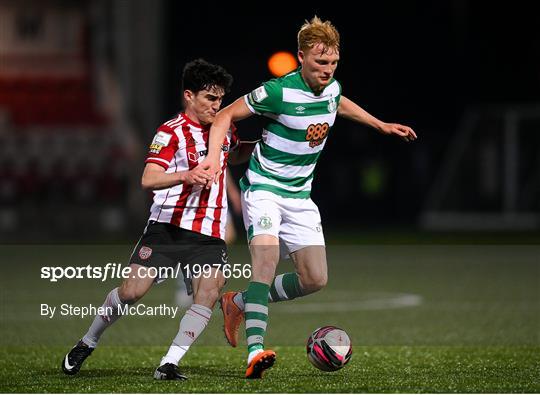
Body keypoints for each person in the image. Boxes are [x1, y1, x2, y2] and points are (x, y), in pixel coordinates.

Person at [200, 16, 417, 379]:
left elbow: (339, 102)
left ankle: (237, 302)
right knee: (266, 258)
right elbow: (223, 116)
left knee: (314, 279)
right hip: (265, 187)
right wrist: (211, 159)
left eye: (333, 63)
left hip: (300, 196)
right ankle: (255, 351)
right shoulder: (277, 92)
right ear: (301, 57)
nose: (327, 70)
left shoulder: (331, 89)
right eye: (320, 63)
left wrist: (380, 125)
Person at [61, 59, 250, 381]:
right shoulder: (170, 132)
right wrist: (187, 175)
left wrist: (265, 148)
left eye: (220, 99)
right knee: (132, 292)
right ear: (189, 96)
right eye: (210, 98)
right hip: (168, 227)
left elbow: (233, 154)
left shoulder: (225, 129)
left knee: (209, 290)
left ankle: (169, 362)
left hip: (209, 230)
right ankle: (87, 341)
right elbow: (148, 178)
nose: (216, 106)